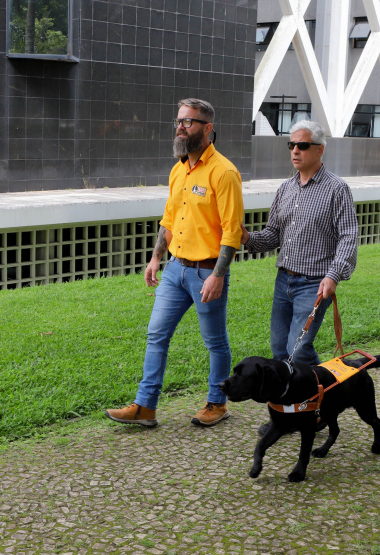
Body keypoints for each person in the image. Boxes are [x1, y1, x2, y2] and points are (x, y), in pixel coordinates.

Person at [106, 99, 244, 428]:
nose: (180, 127)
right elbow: (169, 219)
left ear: (207, 129)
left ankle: (217, 403)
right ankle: (145, 407)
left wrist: (218, 276)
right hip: (175, 269)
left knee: (215, 341)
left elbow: (232, 231)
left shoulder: (224, 172)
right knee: (156, 336)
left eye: (189, 122)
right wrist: (156, 258)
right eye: (179, 121)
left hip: (207, 272)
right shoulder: (178, 168)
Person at [240, 119, 358, 379]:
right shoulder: (285, 188)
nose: (295, 150)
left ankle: (321, 391)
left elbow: (348, 237)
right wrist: (247, 237)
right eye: (291, 144)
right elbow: (273, 235)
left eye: (302, 145)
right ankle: (300, 402)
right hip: (284, 281)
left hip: (315, 283)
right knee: (279, 350)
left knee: (298, 349)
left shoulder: (337, 189)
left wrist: (333, 275)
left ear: (319, 149)